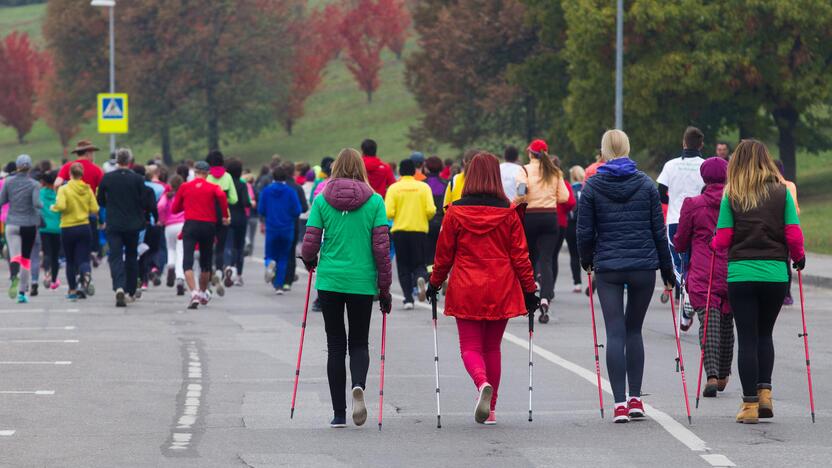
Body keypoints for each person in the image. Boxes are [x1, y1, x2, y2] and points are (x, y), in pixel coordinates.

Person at [427, 152, 537, 425]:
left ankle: (481, 383)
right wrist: (530, 289)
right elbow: (520, 255)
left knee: (470, 346)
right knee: (492, 348)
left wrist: (435, 283)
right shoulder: (509, 213)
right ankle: (493, 409)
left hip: (466, 284)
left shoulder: (455, 213)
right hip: (501, 284)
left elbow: (444, 256)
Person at [577, 129, 675, 423]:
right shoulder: (645, 184)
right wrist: (668, 270)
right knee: (634, 331)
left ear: (604, 151)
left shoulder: (593, 186)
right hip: (643, 266)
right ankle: (635, 399)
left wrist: (587, 261)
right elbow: (659, 231)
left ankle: (619, 403)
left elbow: (584, 231)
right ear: (628, 149)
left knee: (615, 332)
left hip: (608, 267)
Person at [712, 139, 805, 424]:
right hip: (775, 273)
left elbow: (724, 238)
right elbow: (793, 233)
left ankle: (749, 405)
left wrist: (714, 244)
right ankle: (766, 394)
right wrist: (798, 257)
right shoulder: (782, 192)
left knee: (747, 338)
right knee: (765, 334)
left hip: (742, 273)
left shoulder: (733, 194)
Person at [300, 147, 392, 428]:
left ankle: (339, 413)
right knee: (360, 342)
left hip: (330, 279)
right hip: (362, 281)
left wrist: (308, 259)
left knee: (335, 344)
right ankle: (359, 385)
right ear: (361, 168)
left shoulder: (321, 200)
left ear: (335, 167)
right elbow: (381, 248)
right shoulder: (375, 201)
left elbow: (311, 240)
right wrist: (384, 288)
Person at [673, 157, 733, 398]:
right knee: (727, 322)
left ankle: (711, 374)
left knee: (708, 321)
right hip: (730, 270)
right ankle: (724, 373)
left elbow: (681, 240)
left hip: (702, 270)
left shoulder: (693, 204)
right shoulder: (735, 203)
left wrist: (680, 244)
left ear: (704, 177)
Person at [514, 139, 569, 322]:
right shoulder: (555, 172)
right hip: (550, 218)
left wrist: (517, 201)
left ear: (530, 153)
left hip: (530, 217)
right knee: (546, 260)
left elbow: (521, 192)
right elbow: (564, 197)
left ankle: (531, 293)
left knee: (529, 257)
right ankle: (546, 297)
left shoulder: (524, 170)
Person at [172, 161, 230, 309]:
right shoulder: (213, 187)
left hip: (191, 225)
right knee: (206, 262)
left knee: (188, 262)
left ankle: (194, 293)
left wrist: (185, 206)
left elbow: (175, 208)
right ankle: (203, 292)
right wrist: (224, 215)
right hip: (208, 226)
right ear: (208, 173)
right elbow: (222, 196)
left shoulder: (185, 186)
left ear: (195, 172)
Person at [657, 127, 706, 292]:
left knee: (678, 262)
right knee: (696, 261)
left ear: (683, 143)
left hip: (675, 219)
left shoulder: (671, 165)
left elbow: (660, 193)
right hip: (700, 221)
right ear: (701, 145)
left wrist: (673, 202)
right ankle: (691, 295)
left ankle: (685, 293)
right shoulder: (705, 165)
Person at [97, 149, 147, 306]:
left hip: (114, 223)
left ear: (117, 161)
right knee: (132, 256)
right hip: (133, 224)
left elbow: (100, 200)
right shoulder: (138, 179)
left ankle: (119, 286)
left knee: (116, 256)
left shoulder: (107, 178)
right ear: (130, 161)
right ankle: (130, 290)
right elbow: (143, 200)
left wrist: (110, 206)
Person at [385, 159, 436, 308]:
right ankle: (420, 278)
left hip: (400, 231)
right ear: (415, 171)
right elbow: (431, 210)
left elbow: (388, 212)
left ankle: (408, 299)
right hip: (419, 230)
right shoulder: (423, 187)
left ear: (400, 172)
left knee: (403, 265)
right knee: (419, 262)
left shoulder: (394, 188)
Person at [53, 163, 100, 301]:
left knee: (70, 260)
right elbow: (95, 208)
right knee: (83, 258)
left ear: (69, 174)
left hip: (68, 227)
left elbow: (61, 205)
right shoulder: (87, 189)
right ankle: (86, 274)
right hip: (84, 227)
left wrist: (53, 207)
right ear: (82, 174)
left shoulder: (64, 189)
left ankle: (72, 290)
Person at [0, 155, 42, 303]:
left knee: (14, 256)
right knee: (25, 259)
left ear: (17, 166)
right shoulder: (34, 184)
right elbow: (37, 204)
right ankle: (22, 293)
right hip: (29, 225)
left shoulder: (8, 182)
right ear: (29, 167)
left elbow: (1, 201)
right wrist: (43, 206)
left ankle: (14, 276)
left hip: (12, 224)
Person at [56, 140, 104, 263]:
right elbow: (103, 191)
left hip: (70, 215)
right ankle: (90, 258)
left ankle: (77, 272)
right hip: (89, 214)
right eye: (92, 153)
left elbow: (57, 184)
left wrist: (61, 197)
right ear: (88, 153)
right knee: (85, 246)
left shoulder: (68, 167)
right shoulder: (96, 169)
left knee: (72, 252)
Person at [258, 165, 302, 294]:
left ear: (273, 177)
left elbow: (261, 210)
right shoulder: (290, 192)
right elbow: (297, 210)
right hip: (287, 228)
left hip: (271, 227)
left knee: (270, 254)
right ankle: (279, 285)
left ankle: (270, 264)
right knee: (284, 256)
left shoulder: (266, 191)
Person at [205, 150, 238, 294]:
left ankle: (208, 272)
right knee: (221, 247)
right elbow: (234, 199)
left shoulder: (207, 177)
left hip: (209, 215)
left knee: (207, 246)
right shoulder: (228, 177)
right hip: (224, 215)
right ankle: (219, 271)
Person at [223, 158, 252, 287]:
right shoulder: (242, 184)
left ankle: (228, 266)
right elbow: (246, 202)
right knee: (239, 247)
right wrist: (251, 204)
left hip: (227, 217)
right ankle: (239, 275)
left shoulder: (225, 184)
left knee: (227, 245)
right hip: (240, 217)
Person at [774, 159, 799, 306]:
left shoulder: (787, 186)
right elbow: (796, 210)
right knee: (785, 262)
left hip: (779, 229)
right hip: (785, 228)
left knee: (784, 262)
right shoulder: (790, 186)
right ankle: (785, 293)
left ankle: (785, 293)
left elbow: (794, 208)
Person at [551, 157, 576, 301]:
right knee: (553, 256)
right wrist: (563, 209)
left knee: (541, 255)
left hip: (541, 218)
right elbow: (571, 202)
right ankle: (550, 287)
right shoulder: (563, 183)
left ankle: (538, 280)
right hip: (560, 222)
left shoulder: (541, 181)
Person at [281, 161, 309, 290]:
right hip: (293, 223)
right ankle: (288, 280)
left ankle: (277, 275)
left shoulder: (277, 187)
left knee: (278, 251)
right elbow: (304, 207)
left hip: (277, 223)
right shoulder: (297, 188)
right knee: (290, 252)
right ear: (293, 172)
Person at [158, 175, 187, 296]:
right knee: (181, 252)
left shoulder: (167, 195)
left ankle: (170, 266)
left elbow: (160, 206)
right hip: (182, 224)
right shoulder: (184, 195)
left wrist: (163, 219)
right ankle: (180, 278)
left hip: (169, 226)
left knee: (170, 249)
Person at [39, 170, 62, 291]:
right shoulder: (58, 193)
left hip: (44, 228)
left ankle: (46, 273)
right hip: (57, 228)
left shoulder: (40, 193)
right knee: (55, 255)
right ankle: (54, 280)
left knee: (47, 252)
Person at [423, 156, 447, 268]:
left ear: (426, 168)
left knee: (428, 255)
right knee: (442, 254)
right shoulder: (446, 184)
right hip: (442, 223)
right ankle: (442, 276)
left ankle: (429, 276)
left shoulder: (422, 185)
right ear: (441, 168)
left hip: (426, 223)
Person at [566, 166, 585, 293]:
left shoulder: (569, 190)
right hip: (584, 224)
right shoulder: (586, 189)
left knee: (574, 255)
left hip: (571, 225)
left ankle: (577, 282)